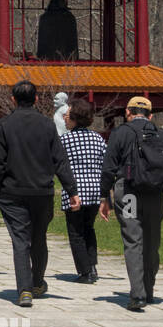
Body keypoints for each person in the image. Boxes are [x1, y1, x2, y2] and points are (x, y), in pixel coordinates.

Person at [0, 81, 80, 307]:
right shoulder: (47, 125)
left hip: (12, 191)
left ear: (13, 100)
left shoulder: (4, 125)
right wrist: (72, 190)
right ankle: (37, 282)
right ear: (37, 99)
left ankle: (25, 290)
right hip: (42, 191)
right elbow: (60, 160)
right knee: (39, 238)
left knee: (20, 241)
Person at [100, 96, 163, 311]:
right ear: (151, 115)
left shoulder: (121, 133)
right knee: (152, 241)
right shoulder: (162, 135)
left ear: (128, 113)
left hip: (129, 193)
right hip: (156, 195)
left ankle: (137, 294)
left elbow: (109, 168)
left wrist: (105, 197)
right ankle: (148, 290)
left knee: (133, 240)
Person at [59, 97, 106, 284]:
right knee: (89, 229)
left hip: (75, 192)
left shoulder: (65, 140)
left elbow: (57, 164)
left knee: (76, 232)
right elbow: (106, 164)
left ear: (75, 118)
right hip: (94, 191)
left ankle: (84, 271)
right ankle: (92, 266)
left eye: (67, 115)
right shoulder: (98, 138)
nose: (64, 118)